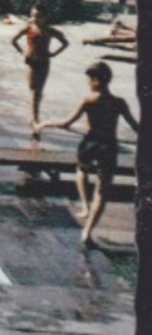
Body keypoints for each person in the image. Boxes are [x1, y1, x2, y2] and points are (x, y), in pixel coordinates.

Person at [34, 61, 139, 250]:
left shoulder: (89, 100)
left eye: (89, 80)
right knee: (102, 192)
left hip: (90, 144)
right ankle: (88, 231)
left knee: (81, 171)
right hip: (108, 146)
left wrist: (43, 124)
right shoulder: (118, 102)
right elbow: (135, 126)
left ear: (96, 80)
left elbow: (66, 121)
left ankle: (85, 205)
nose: (88, 83)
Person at [12, 4, 69, 125]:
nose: (35, 19)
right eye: (33, 16)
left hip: (44, 61)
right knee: (33, 89)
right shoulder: (28, 28)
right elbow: (14, 40)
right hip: (30, 61)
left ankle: (34, 115)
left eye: (39, 16)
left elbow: (65, 43)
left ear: (45, 17)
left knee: (38, 90)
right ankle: (34, 117)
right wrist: (22, 52)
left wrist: (53, 54)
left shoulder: (50, 30)